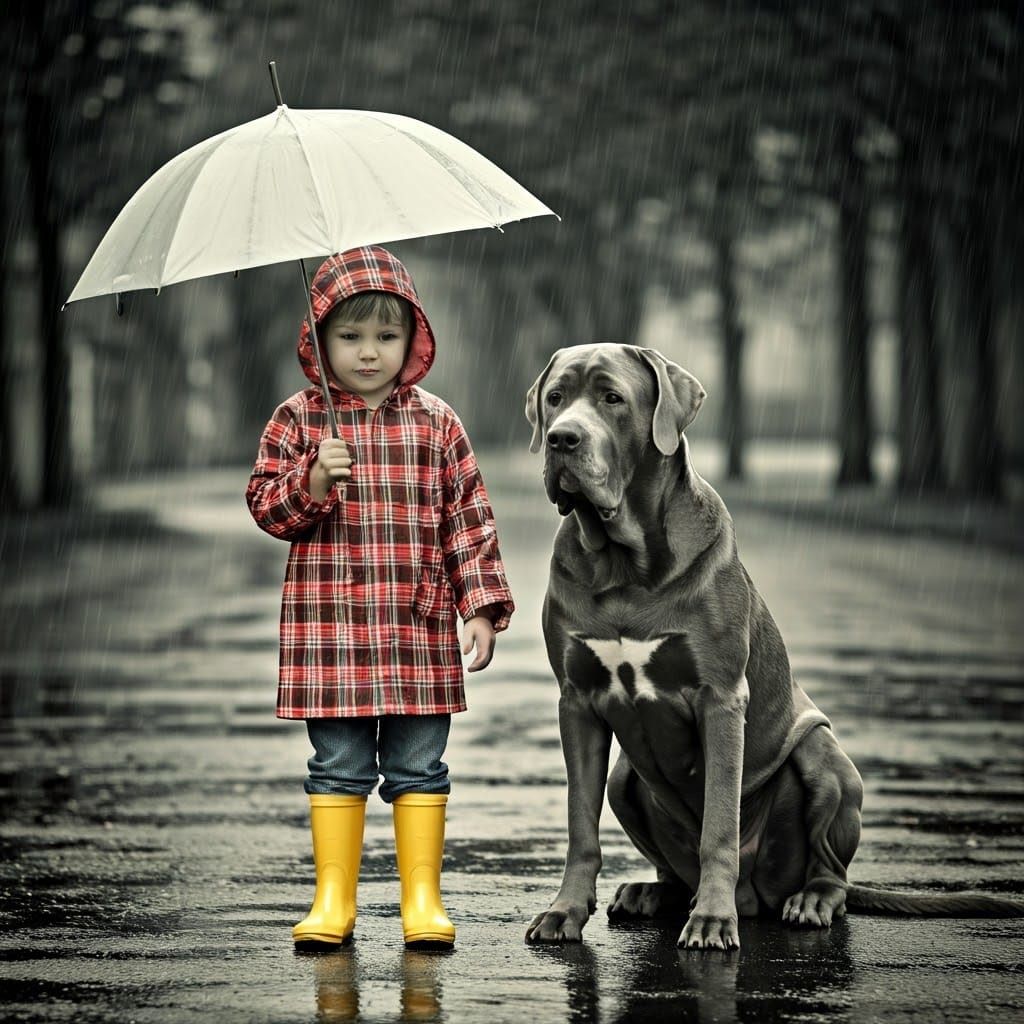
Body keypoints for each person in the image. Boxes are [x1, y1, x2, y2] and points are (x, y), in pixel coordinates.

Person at [246, 246, 514, 950]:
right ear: (318, 340)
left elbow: (468, 518)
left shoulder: (436, 424)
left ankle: (421, 898)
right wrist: (311, 483)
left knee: (420, 764)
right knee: (337, 765)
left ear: (413, 341)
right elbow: (266, 509)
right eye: (351, 337)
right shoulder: (298, 421)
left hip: (416, 632)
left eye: (386, 337)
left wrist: (480, 605)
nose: (369, 353)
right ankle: (333, 899)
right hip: (328, 635)